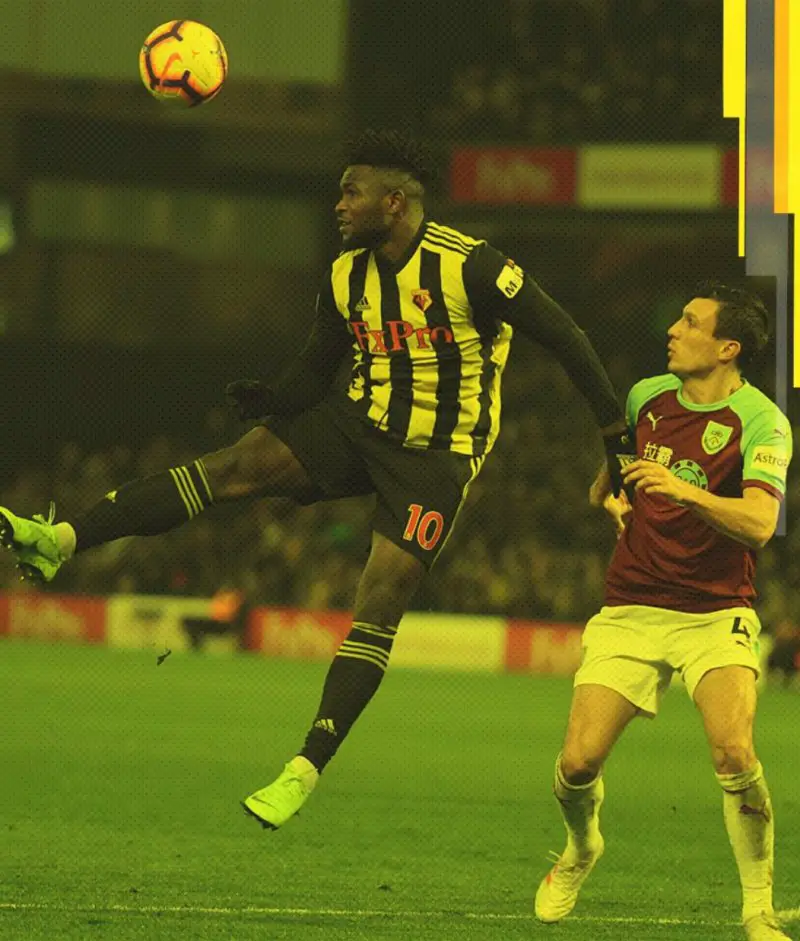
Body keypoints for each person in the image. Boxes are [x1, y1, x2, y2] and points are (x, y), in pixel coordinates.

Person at [0, 129, 632, 831]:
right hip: (355, 422)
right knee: (229, 466)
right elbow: (316, 366)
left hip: (435, 455)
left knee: (381, 593)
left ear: (394, 203)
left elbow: (567, 337)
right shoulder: (345, 274)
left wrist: (615, 435)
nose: (338, 204)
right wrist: (273, 398)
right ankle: (60, 539)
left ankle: (304, 766)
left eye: (351, 191)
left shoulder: (471, 267)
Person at [534, 281, 793, 941]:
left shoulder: (762, 421)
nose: (673, 330)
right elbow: (610, 480)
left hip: (715, 612)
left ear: (728, 347)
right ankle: (582, 846)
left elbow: (760, 523)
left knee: (734, 750)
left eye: (690, 322)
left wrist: (683, 490)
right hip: (632, 605)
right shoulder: (644, 398)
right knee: (576, 765)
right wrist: (610, 498)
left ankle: (757, 908)